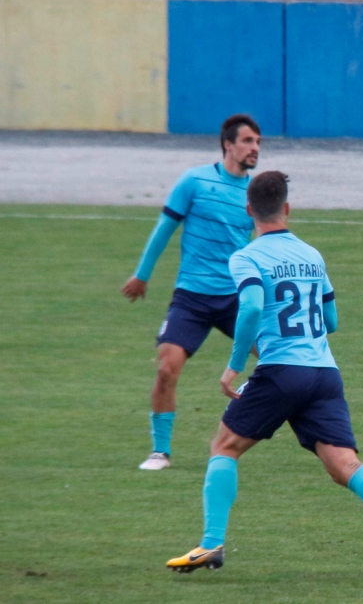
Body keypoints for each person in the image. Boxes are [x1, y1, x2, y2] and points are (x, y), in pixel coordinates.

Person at [165, 171, 363, 586]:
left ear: (249, 210)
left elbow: (251, 308)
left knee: (224, 446)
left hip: (280, 372)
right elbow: (332, 320)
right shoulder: (312, 255)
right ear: (287, 208)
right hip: (324, 374)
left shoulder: (246, 256)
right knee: (344, 465)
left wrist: (234, 365)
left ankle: (211, 544)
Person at [122, 114, 262, 470]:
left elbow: (264, 245)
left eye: (258, 143)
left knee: (281, 358)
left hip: (235, 298)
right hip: (192, 297)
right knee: (166, 369)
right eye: (248, 141)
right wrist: (142, 275)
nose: (255, 148)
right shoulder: (194, 181)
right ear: (228, 144)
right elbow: (164, 228)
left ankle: (312, 433)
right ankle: (160, 452)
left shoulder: (255, 194)